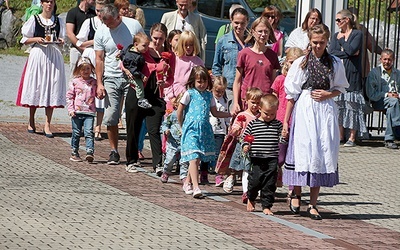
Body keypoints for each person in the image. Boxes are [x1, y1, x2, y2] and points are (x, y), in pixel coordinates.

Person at [282, 24, 349, 220]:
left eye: (321, 42)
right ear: (309, 42)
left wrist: (329, 93)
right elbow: (291, 94)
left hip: (324, 110)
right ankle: (296, 193)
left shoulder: (335, 63)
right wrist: (286, 121)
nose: (318, 46)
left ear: (327, 41)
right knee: (304, 149)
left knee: (320, 151)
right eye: (314, 42)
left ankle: (313, 203)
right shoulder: (301, 63)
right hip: (305, 109)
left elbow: (341, 87)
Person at [94, 4, 144, 165]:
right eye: (103, 21)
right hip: (111, 77)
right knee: (111, 116)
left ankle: (132, 152)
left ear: (117, 17)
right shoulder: (101, 31)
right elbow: (99, 59)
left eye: (108, 21)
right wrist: (99, 83)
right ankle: (114, 151)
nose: (105, 25)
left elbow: (144, 46)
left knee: (132, 115)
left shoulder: (133, 25)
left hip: (131, 77)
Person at [125, 23, 174, 173]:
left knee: (154, 129)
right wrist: (127, 71)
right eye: (155, 38)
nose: (158, 42)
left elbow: (171, 78)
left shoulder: (168, 54)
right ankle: (131, 161)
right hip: (138, 93)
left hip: (155, 95)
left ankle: (158, 163)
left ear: (165, 39)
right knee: (134, 127)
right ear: (150, 35)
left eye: (161, 39)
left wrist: (164, 83)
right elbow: (125, 60)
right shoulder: (143, 48)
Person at [177, 65, 231, 198]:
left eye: (204, 81)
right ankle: (196, 187)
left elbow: (215, 112)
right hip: (191, 129)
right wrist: (182, 125)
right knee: (193, 157)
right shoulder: (189, 93)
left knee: (197, 158)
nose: (202, 84)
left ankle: (188, 182)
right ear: (193, 81)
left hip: (204, 130)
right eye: (199, 81)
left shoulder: (209, 96)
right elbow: (180, 110)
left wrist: (230, 114)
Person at [16, 0, 66, 137]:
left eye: (51, 2)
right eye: (46, 1)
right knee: (36, 85)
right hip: (38, 55)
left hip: (53, 55)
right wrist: (37, 39)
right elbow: (25, 39)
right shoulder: (35, 19)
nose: (49, 4)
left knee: (51, 86)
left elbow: (61, 39)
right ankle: (31, 119)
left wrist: (61, 41)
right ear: (42, 4)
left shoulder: (59, 21)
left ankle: (47, 124)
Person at [329, 9, 367, 147]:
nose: (337, 23)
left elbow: (352, 50)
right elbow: (331, 52)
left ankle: (352, 137)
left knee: (352, 105)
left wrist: (343, 43)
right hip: (339, 73)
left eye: (339, 20)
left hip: (353, 74)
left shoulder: (357, 34)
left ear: (347, 20)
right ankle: (340, 136)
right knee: (339, 105)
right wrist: (348, 52)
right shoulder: (335, 35)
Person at [231, 16, 280, 115]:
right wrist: (236, 102)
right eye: (260, 31)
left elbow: (274, 83)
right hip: (248, 101)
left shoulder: (272, 55)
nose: (263, 34)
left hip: (264, 103)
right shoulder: (244, 53)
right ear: (253, 32)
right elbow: (237, 81)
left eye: (266, 31)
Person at [243, 94, 282, 215]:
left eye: (272, 114)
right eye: (266, 113)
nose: (269, 117)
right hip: (257, 158)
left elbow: (282, 140)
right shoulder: (253, 124)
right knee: (255, 181)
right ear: (260, 108)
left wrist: (285, 136)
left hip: (271, 159)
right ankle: (251, 198)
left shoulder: (278, 125)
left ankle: (267, 205)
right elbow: (245, 137)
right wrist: (245, 145)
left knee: (269, 184)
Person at [222, 88, 262, 203]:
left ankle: (254, 189)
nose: (255, 105)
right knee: (245, 169)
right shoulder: (242, 115)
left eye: (258, 103)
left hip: (257, 147)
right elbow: (233, 130)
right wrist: (236, 130)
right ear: (247, 101)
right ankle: (245, 191)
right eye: (253, 102)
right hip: (243, 146)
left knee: (255, 169)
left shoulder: (260, 117)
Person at [271, 47, 303, 189]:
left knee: (294, 158)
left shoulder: (303, 81)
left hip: (297, 124)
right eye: (291, 62)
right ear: (286, 63)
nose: (293, 66)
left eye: (297, 62)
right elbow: (273, 100)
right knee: (280, 157)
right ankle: (272, 178)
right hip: (280, 122)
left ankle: (292, 190)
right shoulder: (280, 79)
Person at [76, 0, 107, 141]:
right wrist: (94, 42)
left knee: (101, 94)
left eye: (102, 11)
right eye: (98, 10)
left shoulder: (109, 24)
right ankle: (85, 123)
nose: (100, 14)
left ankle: (98, 127)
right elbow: (80, 42)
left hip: (104, 58)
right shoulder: (89, 22)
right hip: (91, 56)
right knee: (87, 91)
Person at [212, 7, 249, 106]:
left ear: (247, 22)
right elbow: (217, 66)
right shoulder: (223, 41)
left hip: (247, 88)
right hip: (229, 88)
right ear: (231, 21)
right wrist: (219, 86)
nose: (239, 26)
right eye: (236, 23)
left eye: (242, 23)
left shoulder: (251, 42)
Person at [366, 49, 400, 149]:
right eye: (385, 59)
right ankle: (397, 127)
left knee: (391, 108)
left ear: (393, 60)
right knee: (393, 102)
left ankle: (389, 139)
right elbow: (371, 94)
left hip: (395, 103)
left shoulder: (397, 73)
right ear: (380, 59)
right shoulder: (374, 73)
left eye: (389, 59)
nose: (387, 62)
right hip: (379, 101)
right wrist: (386, 95)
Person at [66, 57, 97, 163]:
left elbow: (98, 94)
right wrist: (70, 109)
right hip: (77, 112)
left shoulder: (94, 82)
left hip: (89, 111)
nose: (85, 71)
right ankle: (74, 151)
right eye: (83, 69)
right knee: (76, 132)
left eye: (88, 69)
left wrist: (101, 93)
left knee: (89, 132)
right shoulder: (75, 82)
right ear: (78, 70)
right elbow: (70, 96)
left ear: (91, 69)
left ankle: (89, 151)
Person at [164, 30, 204, 111]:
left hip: (192, 100)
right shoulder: (174, 58)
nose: (188, 47)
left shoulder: (198, 62)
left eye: (191, 45)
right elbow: (167, 79)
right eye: (185, 45)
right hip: (174, 99)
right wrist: (171, 97)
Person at [202, 76, 229, 184]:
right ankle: (204, 173)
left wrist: (228, 125)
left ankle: (219, 175)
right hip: (209, 129)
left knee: (219, 153)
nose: (219, 93)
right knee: (206, 153)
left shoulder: (225, 100)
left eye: (222, 91)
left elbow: (226, 115)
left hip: (220, 131)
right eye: (217, 91)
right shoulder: (209, 98)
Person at [160, 93, 189, 181]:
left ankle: (184, 176)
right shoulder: (173, 115)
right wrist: (166, 130)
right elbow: (165, 124)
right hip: (173, 142)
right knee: (170, 159)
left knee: (184, 161)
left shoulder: (188, 115)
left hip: (184, 142)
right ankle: (166, 172)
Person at [119, 32, 152, 109]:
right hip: (131, 75)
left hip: (133, 72)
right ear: (136, 44)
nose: (146, 48)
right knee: (139, 84)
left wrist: (120, 54)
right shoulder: (133, 57)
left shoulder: (130, 49)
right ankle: (141, 99)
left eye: (147, 46)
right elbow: (133, 69)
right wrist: (141, 76)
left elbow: (123, 52)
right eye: (144, 46)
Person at [66, 0, 96, 77]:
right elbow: (70, 33)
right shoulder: (73, 12)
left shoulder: (93, 14)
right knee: (75, 74)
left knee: (90, 74)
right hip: (76, 49)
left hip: (90, 49)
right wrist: (80, 46)